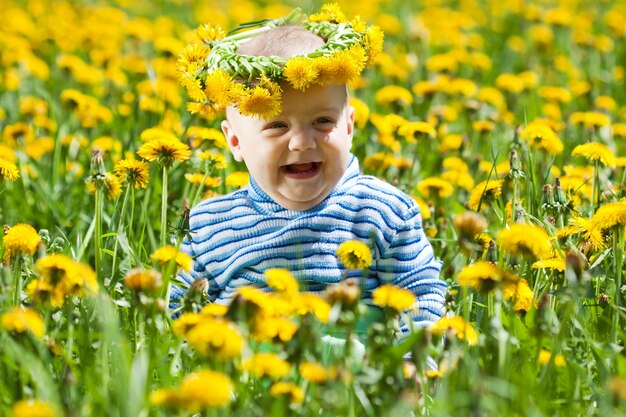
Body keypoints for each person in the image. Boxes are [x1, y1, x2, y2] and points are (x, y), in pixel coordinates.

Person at [172, 6, 447, 343]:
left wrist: (412, 363)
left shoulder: (382, 212)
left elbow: (421, 294)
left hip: (354, 380)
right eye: (277, 126)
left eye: (322, 121)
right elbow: (176, 311)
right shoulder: (210, 227)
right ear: (235, 141)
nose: (302, 142)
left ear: (349, 126)